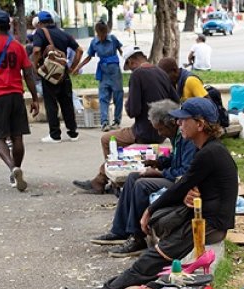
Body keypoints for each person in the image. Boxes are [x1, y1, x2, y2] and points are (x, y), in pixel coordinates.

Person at [60, 98, 236, 289]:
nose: (179, 124)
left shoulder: (209, 153)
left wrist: (149, 210)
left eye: (184, 121)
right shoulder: (209, 150)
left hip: (208, 224)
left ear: (199, 124)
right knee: (153, 262)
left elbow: (180, 187)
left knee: (151, 260)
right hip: (204, 218)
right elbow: (189, 187)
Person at [89, 99, 196, 257]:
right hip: (174, 176)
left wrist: (159, 173)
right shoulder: (177, 136)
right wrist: (158, 162)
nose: (159, 134)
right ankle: (119, 230)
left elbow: (185, 172)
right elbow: (175, 159)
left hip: (181, 183)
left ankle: (137, 237)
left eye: (160, 130)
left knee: (142, 185)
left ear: (171, 124)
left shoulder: (187, 138)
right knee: (133, 177)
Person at [73, 46, 176, 194]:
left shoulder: (138, 74)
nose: (131, 71)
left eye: (129, 67)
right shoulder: (161, 72)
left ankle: (108, 180)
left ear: (132, 61)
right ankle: (100, 180)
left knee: (107, 139)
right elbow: (175, 101)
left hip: (143, 130)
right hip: (162, 130)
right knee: (113, 141)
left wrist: (127, 104)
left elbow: (133, 110)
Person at [0, 10, 40, 191]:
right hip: (16, 95)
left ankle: (13, 168)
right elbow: (28, 72)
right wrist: (34, 98)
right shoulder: (18, 46)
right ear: (9, 25)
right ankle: (17, 169)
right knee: (17, 136)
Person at [31, 10, 81, 143]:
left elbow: (36, 51)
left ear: (40, 23)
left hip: (49, 74)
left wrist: (35, 67)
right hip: (63, 73)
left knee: (51, 103)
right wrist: (72, 67)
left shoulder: (40, 32)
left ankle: (55, 135)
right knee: (67, 103)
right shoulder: (64, 33)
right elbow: (79, 50)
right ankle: (73, 133)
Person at [77, 20, 123, 131]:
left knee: (118, 96)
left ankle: (116, 121)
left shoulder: (113, 39)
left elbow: (121, 50)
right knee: (103, 97)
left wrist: (126, 59)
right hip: (103, 72)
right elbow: (89, 56)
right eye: (99, 34)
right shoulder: (94, 42)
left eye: (104, 34)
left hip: (115, 71)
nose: (102, 37)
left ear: (107, 32)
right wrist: (78, 66)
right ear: (96, 32)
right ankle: (104, 122)